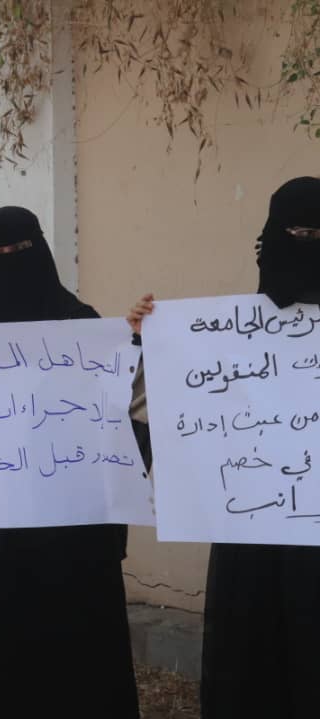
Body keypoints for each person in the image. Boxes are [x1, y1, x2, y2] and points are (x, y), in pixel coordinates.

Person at [128, 176, 320, 719]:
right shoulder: (220, 337)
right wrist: (145, 342)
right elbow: (148, 415)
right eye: (297, 234)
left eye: (318, 235)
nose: (307, 246)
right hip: (249, 539)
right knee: (251, 663)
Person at [0, 206, 139, 718]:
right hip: (2, 535)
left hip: (75, 538)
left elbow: (118, 417)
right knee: (3, 664)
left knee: (80, 666)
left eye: (20, 251)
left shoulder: (83, 328)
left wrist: (136, 345)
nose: (9, 261)